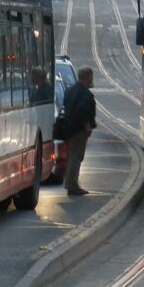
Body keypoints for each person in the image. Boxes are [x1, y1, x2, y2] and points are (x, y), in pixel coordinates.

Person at [61, 66, 96, 196]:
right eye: (91, 77)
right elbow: (82, 111)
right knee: (77, 157)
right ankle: (72, 185)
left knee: (72, 156)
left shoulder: (70, 90)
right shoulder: (84, 93)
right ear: (87, 77)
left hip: (69, 128)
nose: (92, 79)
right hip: (78, 130)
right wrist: (87, 126)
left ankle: (71, 183)